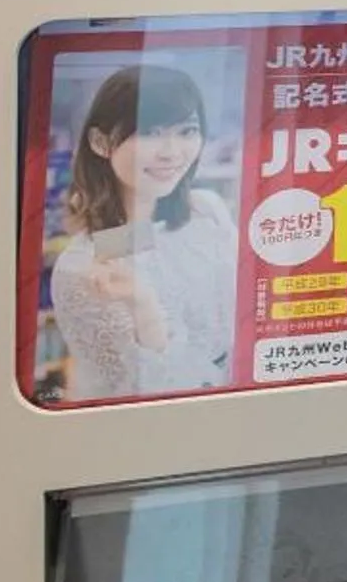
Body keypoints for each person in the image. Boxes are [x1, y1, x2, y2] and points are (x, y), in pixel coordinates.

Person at [46, 61, 235, 401]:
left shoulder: (207, 210)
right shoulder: (83, 268)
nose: (172, 153)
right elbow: (145, 396)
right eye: (150, 132)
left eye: (187, 131)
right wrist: (144, 309)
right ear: (100, 142)